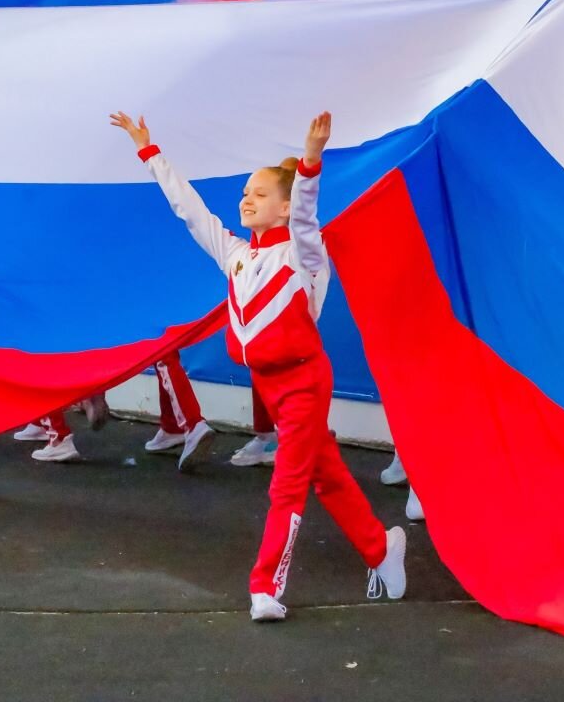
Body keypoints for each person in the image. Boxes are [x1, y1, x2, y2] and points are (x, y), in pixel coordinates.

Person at [110, 109, 406, 622]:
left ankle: (265, 586)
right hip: (268, 386)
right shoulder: (238, 256)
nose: (245, 198)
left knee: (287, 484)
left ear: (286, 206)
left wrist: (311, 160)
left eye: (259, 192)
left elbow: (309, 214)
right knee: (326, 476)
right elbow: (191, 211)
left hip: (304, 383)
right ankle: (382, 550)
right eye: (244, 191)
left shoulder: (302, 254)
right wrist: (149, 151)